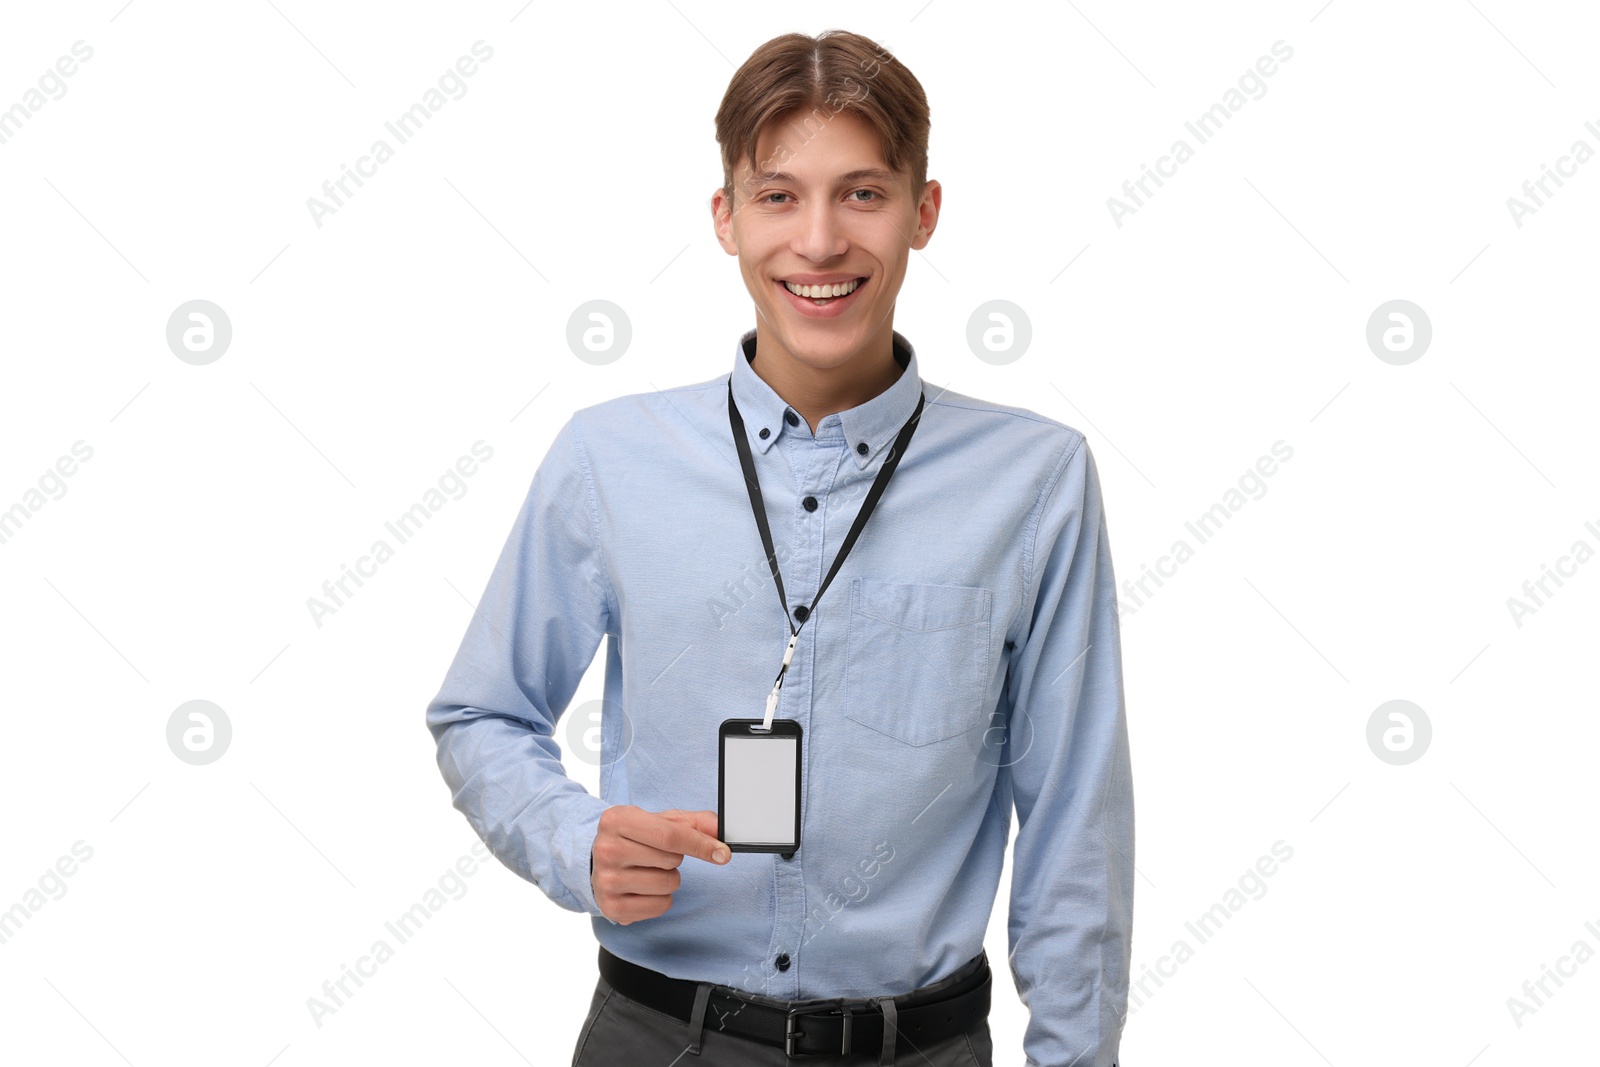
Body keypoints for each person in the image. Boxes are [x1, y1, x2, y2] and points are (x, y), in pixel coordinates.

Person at [425, 28, 1133, 1067]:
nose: (817, 241)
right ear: (725, 218)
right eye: (776, 195)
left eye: (861, 193)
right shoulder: (607, 458)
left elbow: (1076, 816)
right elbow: (480, 711)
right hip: (655, 1037)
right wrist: (575, 841)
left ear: (922, 212)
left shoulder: (1036, 481)